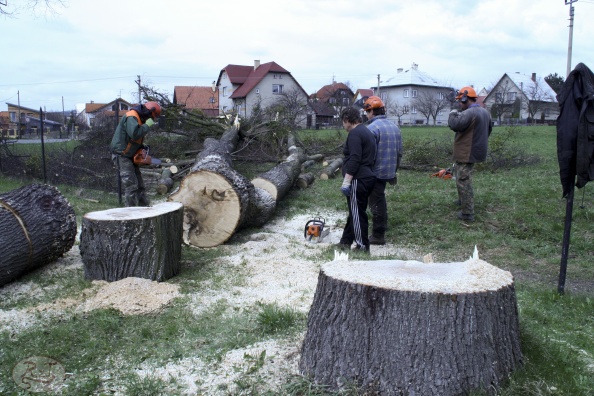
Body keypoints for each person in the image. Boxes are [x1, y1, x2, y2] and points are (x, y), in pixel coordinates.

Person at [447, 86, 492, 221]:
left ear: (466, 98)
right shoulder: (485, 112)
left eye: (460, 101)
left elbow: (454, 124)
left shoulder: (469, 113)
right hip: (476, 150)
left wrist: (452, 111)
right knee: (462, 176)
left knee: (463, 180)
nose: (459, 104)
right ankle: (463, 201)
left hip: (467, 151)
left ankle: (467, 213)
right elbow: (489, 130)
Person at [363, 96, 403, 245]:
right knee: (380, 198)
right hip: (389, 170)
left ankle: (378, 235)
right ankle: (382, 224)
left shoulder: (372, 128)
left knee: (376, 202)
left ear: (372, 111)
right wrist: (394, 169)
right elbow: (400, 152)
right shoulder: (395, 127)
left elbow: (369, 155)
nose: (367, 115)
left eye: (367, 112)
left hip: (375, 172)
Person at [337, 106, 377, 252]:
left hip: (358, 179)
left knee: (358, 214)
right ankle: (346, 241)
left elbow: (355, 159)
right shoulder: (367, 131)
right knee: (355, 210)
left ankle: (362, 246)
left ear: (348, 120)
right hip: (368, 177)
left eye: (343, 122)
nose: (343, 126)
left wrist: (347, 180)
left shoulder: (354, 134)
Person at [110, 101, 161, 207]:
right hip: (122, 155)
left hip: (129, 155)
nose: (151, 120)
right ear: (148, 112)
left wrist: (142, 148)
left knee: (140, 186)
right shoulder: (132, 116)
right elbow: (134, 134)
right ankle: (131, 214)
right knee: (131, 186)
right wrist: (147, 126)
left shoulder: (140, 119)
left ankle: (145, 210)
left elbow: (134, 139)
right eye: (152, 118)